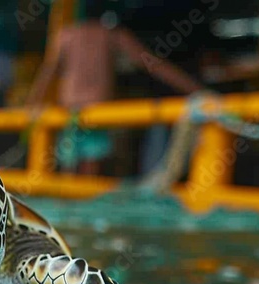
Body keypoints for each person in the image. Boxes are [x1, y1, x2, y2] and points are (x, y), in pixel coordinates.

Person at [26, 5, 204, 175]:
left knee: (66, 174)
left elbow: (47, 74)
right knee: (89, 174)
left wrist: (31, 105)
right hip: (96, 113)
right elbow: (153, 65)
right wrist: (196, 89)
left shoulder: (65, 35)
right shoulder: (111, 34)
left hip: (69, 112)